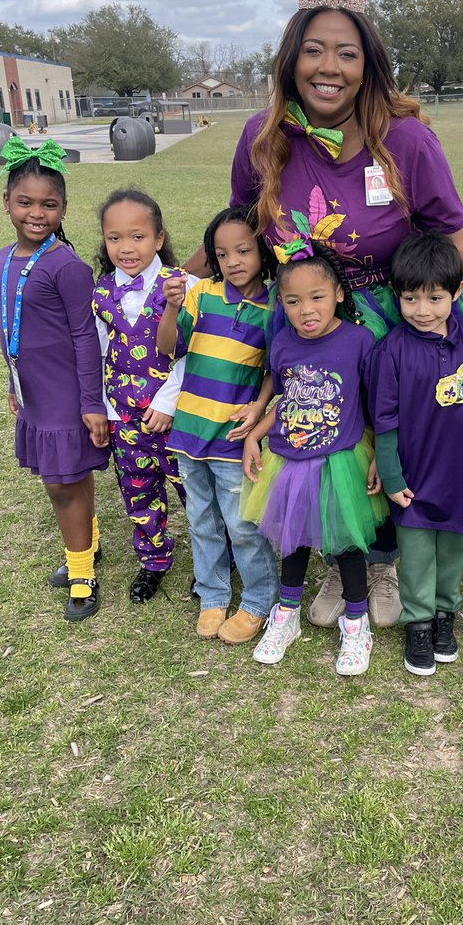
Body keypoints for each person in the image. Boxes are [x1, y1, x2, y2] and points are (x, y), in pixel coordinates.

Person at [186, 0, 463, 630]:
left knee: (388, 441)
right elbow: (241, 227)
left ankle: (384, 565)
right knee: (321, 439)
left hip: (395, 321)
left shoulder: (404, 141)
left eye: (346, 53)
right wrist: (174, 284)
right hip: (308, 315)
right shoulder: (262, 138)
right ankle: (341, 557)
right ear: (291, 61)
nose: (329, 67)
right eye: (314, 51)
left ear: (367, 66)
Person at [241, 239, 386, 676]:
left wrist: (381, 453)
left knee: (346, 544)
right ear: (281, 303)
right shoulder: (283, 344)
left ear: (339, 294)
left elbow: (376, 403)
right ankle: (285, 617)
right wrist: (253, 435)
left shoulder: (359, 341)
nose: (307, 309)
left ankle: (357, 622)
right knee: (293, 540)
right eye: (293, 301)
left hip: (340, 460)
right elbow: (283, 399)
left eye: (317, 297)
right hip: (290, 461)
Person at [368, 232, 463, 677]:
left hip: (461, 475)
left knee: (454, 551)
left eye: (435, 298)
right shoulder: (391, 351)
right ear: (396, 296)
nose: (422, 310)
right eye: (410, 299)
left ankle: (445, 615)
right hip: (415, 479)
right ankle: (419, 622)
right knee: (419, 553)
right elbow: (384, 420)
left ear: (457, 293)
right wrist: (392, 476)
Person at [0, 137, 109, 621]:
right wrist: (13, 383)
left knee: (62, 484)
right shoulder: (3, 257)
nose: (36, 213)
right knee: (69, 478)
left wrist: (90, 401)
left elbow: (87, 338)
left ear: (64, 208)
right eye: (25, 202)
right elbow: (9, 324)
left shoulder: (66, 266)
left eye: (49, 204)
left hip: (67, 394)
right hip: (34, 392)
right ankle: (90, 545)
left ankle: (81, 573)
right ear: (7, 203)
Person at [157, 206, 279, 644]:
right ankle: (212, 595)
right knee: (201, 521)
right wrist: (171, 309)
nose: (233, 262)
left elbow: (274, 370)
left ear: (263, 252)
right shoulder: (200, 294)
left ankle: (259, 600)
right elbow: (169, 348)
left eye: (244, 250)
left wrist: (260, 408)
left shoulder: (275, 307)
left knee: (242, 525)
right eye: (222, 254)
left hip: (232, 438)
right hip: (189, 433)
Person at [92, 188, 191, 603]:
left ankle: (221, 556)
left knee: (195, 492)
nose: (126, 248)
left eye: (137, 236)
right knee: (139, 493)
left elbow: (195, 352)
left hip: (176, 415)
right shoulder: (99, 293)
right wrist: (99, 406)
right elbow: (95, 353)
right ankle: (153, 561)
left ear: (158, 239)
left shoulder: (184, 286)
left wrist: (168, 403)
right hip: (123, 419)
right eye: (114, 238)